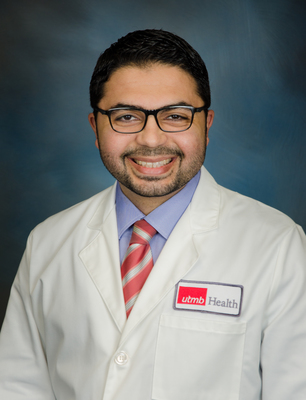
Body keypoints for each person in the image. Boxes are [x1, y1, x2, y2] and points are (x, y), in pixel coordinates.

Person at [0, 29, 305, 400]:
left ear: (206, 125)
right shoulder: (47, 243)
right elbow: (17, 388)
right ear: (95, 127)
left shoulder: (278, 246)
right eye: (126, 116)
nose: (150, 139)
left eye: (175, 116)